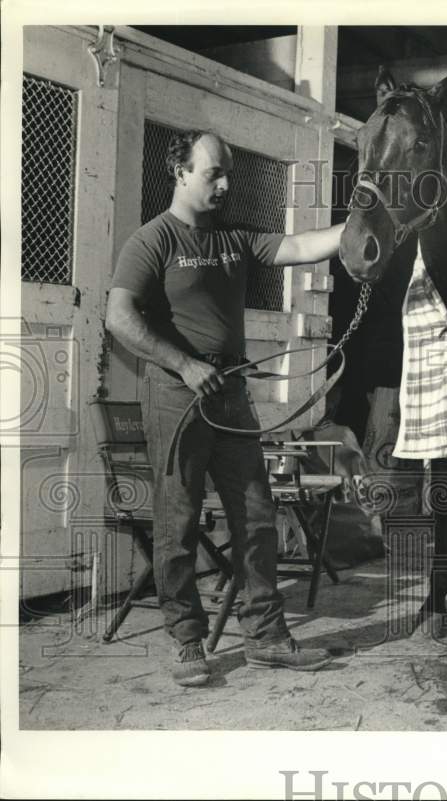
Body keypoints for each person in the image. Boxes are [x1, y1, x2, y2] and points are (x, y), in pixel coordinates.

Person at [106, 131, 348, 686]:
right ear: (181, 172)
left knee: (258, 516)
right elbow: (118, 317)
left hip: (232, 392)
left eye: (227, 174)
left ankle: (266, 637)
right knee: (179, 520)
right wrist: (184, 364)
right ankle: (188, 641)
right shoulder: (152, 240)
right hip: (176, 395)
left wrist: (363, 222)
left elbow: (300, 247)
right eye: (213, 173)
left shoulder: (235, 238)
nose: (224, 184)